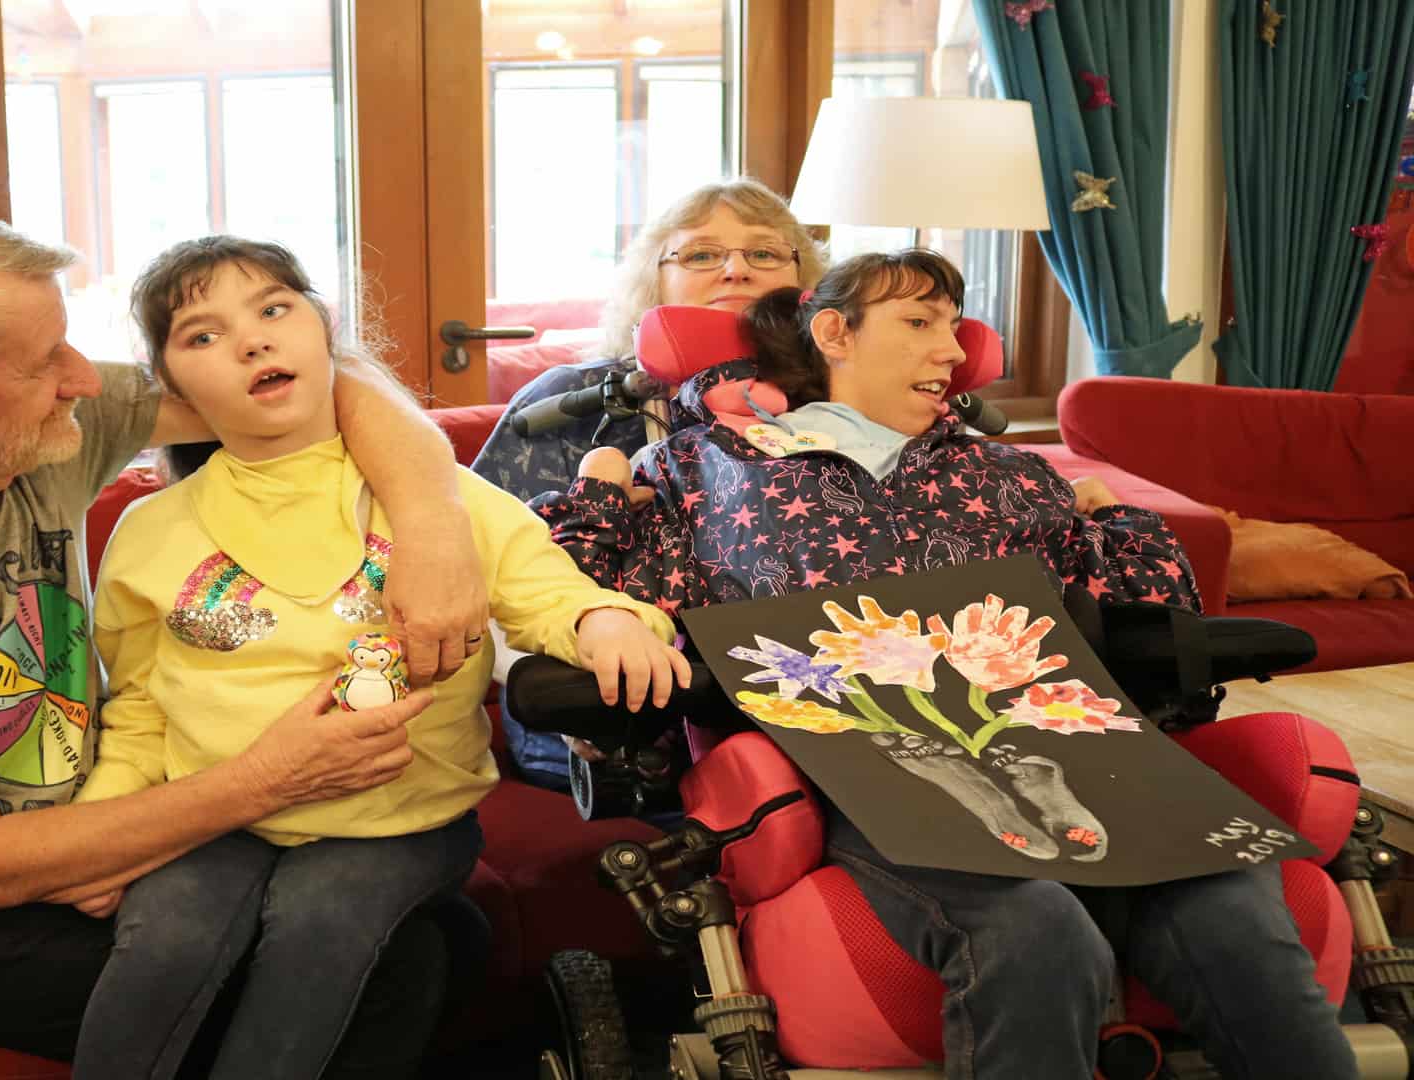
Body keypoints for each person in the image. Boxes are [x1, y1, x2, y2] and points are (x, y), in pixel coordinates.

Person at [534, 249, 1357, 1080]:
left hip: (1067, 752)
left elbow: (1155, 605)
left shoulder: (1013, 475)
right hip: (866, 769)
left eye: (955, 329)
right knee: (1036, 928)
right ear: (834, 333)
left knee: (1232, 911)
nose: (954, 353)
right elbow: (579, 602)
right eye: (920, 324)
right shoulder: (707, 468)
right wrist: (599, 487)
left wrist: (1122, 517)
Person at [0, 209, 496, 1070]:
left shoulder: (23, 428)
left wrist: (433, 527)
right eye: (44, 361)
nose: (84, 380)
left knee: (442, 934)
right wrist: (269, 776)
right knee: (401, 966)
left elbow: (310, 378)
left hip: (84, 812)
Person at [71, 235, 687, 1079]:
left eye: (273, 310)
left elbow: (548, 590)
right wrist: (102, 830)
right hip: (217, 815)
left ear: (324, 330)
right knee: (168, 936)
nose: (251, 340)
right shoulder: (151, 530)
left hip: (397, 820)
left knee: (323, 917)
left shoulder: (443, 499)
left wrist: (608, 624)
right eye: (202, 335)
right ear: (173, 390)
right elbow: (139, 705)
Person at [470, 177, 826, 788]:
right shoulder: (566, 402)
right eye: (701, 254)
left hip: (801, 709)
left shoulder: (836, 404)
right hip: (592, 707)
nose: (735, 271)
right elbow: (478, 573)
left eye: (764, 254)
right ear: (652, 280)